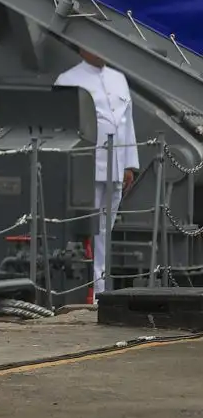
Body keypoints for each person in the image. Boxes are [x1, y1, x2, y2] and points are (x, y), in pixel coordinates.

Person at [55, 49, 140, 294]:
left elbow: (126, 122)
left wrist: (128, 164)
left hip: (115, 165)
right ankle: (85, 290)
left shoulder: (118, 79)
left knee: (105, 232)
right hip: (86, 168)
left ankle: (101, 290)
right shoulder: (68, 80)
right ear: (82, 48)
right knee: (86, 233)